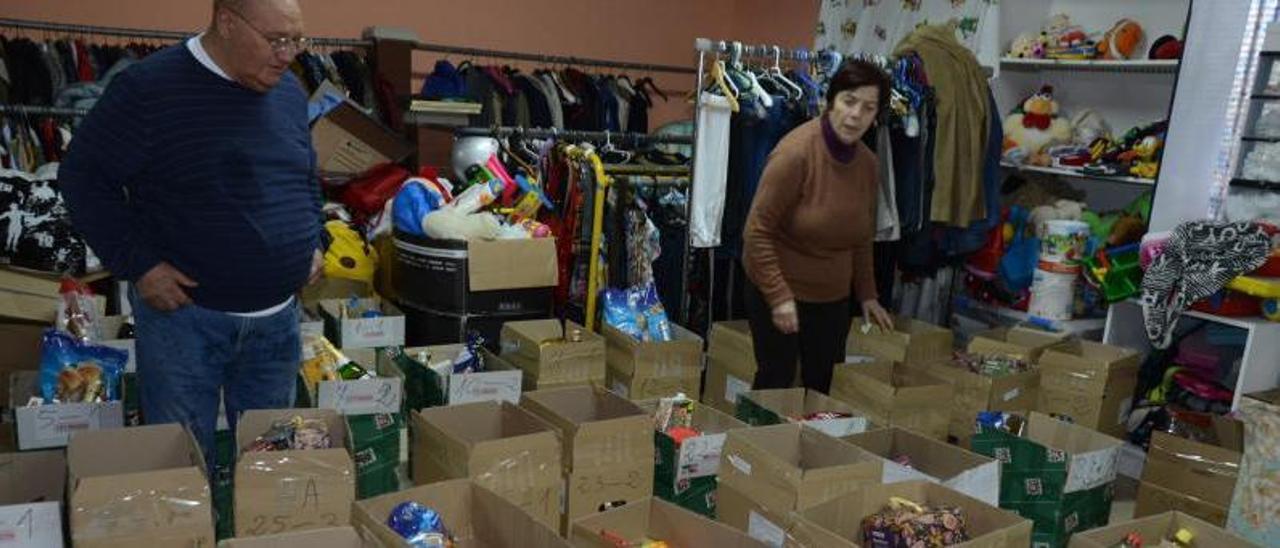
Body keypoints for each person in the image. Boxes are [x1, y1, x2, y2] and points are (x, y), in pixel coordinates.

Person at [60, 0, 323, 470]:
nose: (288, 55)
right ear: (226, 22)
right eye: (276, 40)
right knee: (182, 461)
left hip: (277, 321)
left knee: (270, 463)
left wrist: (312, 237)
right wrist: (138, 264)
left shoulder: (286, 92)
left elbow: (302, 174)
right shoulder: (149, 89)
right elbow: (83, 177)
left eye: (297, 40)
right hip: (187, 322)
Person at [742, 59, 896, 394]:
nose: (856, 114)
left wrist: (868, 294)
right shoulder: (795, 154)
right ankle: (756, 446)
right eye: (849, 101)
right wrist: (780, 297)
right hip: (778, 290)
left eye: (868, 108)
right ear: (831, 101)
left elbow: (861, 235)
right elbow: (757, 231)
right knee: (776, 384)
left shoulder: (868, 165)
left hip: (832, 299)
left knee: (821, 387)